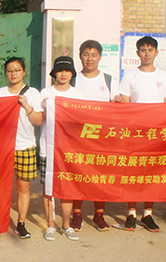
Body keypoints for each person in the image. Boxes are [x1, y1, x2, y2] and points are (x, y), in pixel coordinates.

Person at [113, 36, 166, 232]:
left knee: (152, 174)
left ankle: (147, 214)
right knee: (133, 172)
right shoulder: (130, 76)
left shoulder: (163, 77)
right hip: (135, 133)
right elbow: (125, 104)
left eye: (150, 49)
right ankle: (131, 212)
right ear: (137, 52)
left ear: (156, 52)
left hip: (156, 134)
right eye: (143, 50)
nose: (147, 53)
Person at [0, 57, 42, 239]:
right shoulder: (1, 92)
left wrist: (27, 106)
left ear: (24, 72)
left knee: (23, 187)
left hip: (25, 147)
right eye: (9, 70)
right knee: (0, 186)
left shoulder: (33, 93)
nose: (13, 73)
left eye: (16, 70)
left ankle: (21, 223)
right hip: (3, 147)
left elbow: (38, 120)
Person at [39, 56, 86, 241]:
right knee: (48, 188)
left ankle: (66, 225)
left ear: (72, 73)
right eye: (60, 71)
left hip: (69, 149)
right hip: (48, 147)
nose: (63, 74)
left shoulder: (78, 95)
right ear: (54, 74)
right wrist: (45, 108)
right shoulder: (45, 93)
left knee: (67, 187)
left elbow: (82, 120)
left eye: (67, 71)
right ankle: (50, 224)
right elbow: (39, 119)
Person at [72, 40, 111, 231]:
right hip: (78, 137)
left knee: (100, 177)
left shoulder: (108, 80)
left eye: (94, 54)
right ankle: (77, 213)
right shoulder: (73, 80)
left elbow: (118, 106)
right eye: (86, 54)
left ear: (100, 57)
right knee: (78, 175)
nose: (90, 58)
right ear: (80, 56)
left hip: (102, 138)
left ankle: (99, 214)